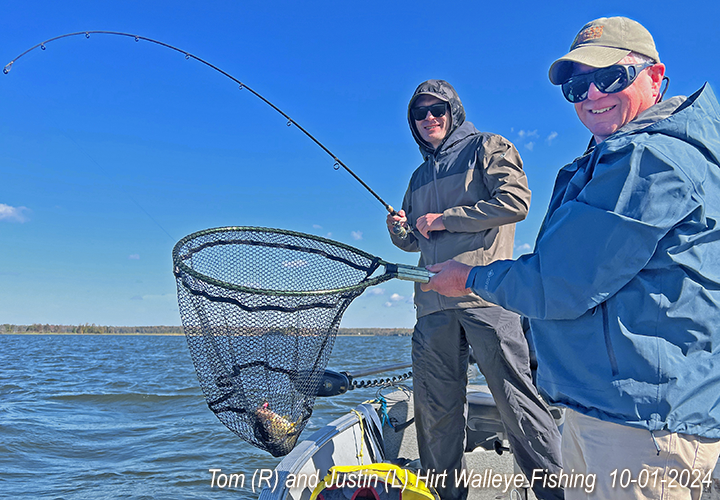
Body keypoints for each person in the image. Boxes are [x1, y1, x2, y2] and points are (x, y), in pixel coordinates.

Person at [421, 17, 720, 500]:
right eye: (578, 85)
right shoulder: (612, 155)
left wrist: (468, 273)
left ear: (656, 76)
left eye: (611, 77)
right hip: (603, 406)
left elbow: (556, 280)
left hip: (641, 421)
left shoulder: (649, 160)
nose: (591, 94)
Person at [387, 79, 564, 500]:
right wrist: (399, 231)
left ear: (453, 112)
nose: (429, 118)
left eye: (437, 110)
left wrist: (445, 218)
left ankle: (558, 494)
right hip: (431, 307)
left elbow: (515, 202)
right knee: (435, 416)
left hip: (487, 296)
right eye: (419, 113)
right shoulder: (416, 177)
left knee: (517, 407)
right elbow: (415, 239)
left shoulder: (488, 146)